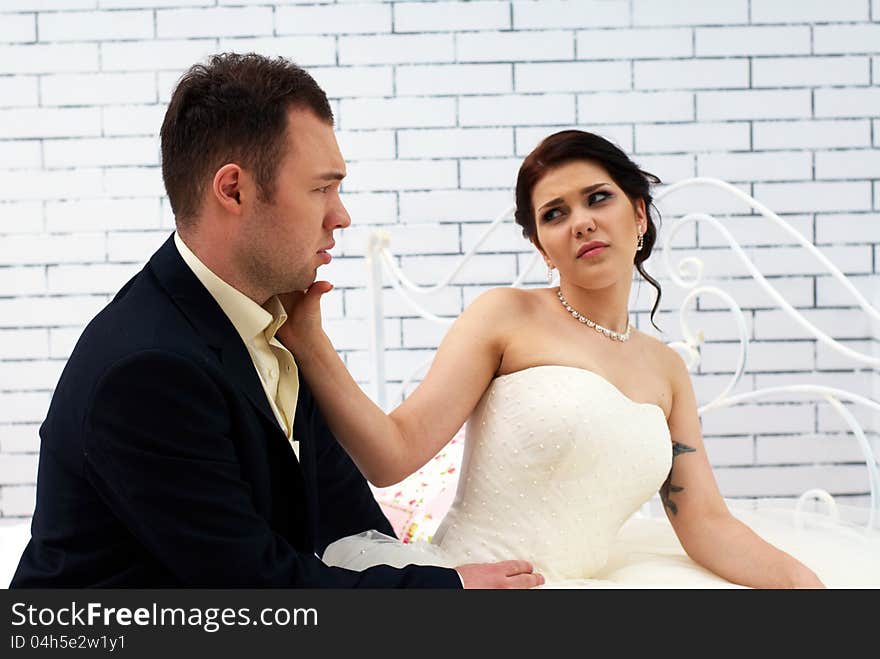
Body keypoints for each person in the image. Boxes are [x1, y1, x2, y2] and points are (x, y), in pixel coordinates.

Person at [9, 53, 544, 589]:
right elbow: (261, 593)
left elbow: (347, 521)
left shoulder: (270, 322)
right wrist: (453, 593)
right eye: (321, 188)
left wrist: (433, 574)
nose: (342, 215)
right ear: (234, 190)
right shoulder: (149, 368)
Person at [278, 129, 880, 588]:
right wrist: (310, 342)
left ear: (638, 214)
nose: (582, 223)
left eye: (598, 199)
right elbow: (392, 453)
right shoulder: (504, 316)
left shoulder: (666, 369)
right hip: (482, 587)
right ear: (541, 245)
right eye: (555, 214)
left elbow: (704, 523)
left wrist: (808, 586)